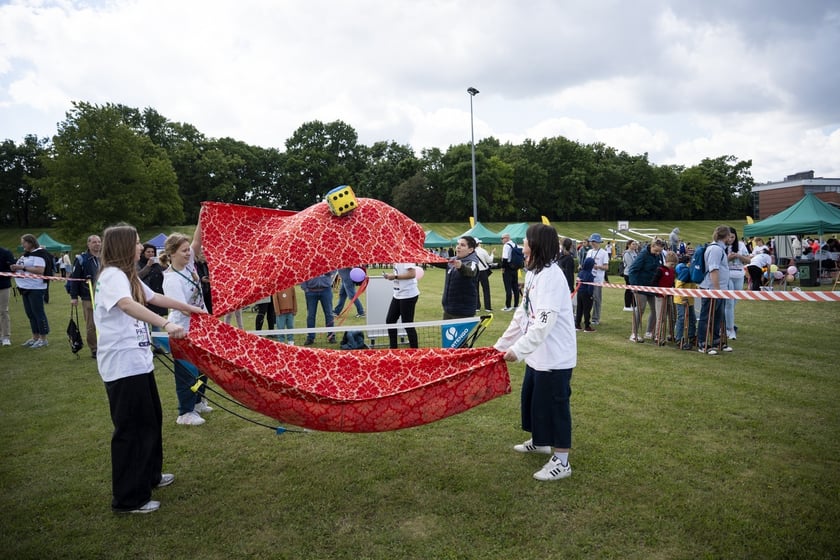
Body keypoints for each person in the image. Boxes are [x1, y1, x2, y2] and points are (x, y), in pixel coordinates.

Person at [94, 223, 204, 513]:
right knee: (131, 429)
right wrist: (166, 323)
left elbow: (154, 299)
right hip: (122, 366)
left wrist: (190, 309)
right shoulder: (113, 276)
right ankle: (129, 498)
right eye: (137, 242)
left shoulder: (127, 275)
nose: (140, 247)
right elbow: (128, 305)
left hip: (138, 362)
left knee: (151, 420)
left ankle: (150, 476)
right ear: (122, 246)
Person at [494, 224, 576, 482]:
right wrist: (501, 345)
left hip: (555, 356)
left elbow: (543, 323)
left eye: (526, 241)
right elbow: (522, 314)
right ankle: (540, 441)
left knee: (555, 406)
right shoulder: (533, 273)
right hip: (538, 355)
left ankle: (562, 461)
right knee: (533, 400)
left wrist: (517, 351)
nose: (522, 246)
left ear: (537, 244)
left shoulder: (551, 276)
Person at [162, 225, 213, 426]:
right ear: (172, 254)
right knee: (187, 370)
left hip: (199, 326)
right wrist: (200, 312)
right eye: (183, 251)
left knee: (202, 368)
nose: (188, 253)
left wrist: (203, 217)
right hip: (182, 330)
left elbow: (197, 241)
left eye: (187, 250)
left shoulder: (188, 265)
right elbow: (182, 309)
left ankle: (199, 400)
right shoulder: (172, 279)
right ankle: (185, 412)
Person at [697, 225, 733, 355]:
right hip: (711, 289)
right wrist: (717, 289)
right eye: (730, 236)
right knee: (706, 316)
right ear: (725, 236)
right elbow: (713, 269)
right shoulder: (715, 250)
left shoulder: (720, 249)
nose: (731, 238)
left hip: (719, 289)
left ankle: (717, 341)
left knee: (718, 316)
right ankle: (703, 343)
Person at [11, 234, 50, 348]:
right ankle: (35, 337)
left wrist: (22, 268)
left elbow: (40, 270)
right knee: (30, 314)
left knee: (38, 313)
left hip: (35, 288)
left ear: (30, 243)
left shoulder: (38, 254)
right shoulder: (28, 254)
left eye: (24, 242)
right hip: (25, 287)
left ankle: (43, 339)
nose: (22, 244)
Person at [69, 234, 102, 358]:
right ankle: (94, 348)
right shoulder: (82, 259)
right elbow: (74, 279)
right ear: (88, 244)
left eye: (99, 242)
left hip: (104, 296)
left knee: (104, 322)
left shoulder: (105, 258)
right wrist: (73, 297)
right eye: (94, 242)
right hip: (88, 296)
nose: (97, 244)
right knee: (91, 325)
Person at [627, 239, 665, 342]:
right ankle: (634, 333)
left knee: (655, 309)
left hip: (652, 286)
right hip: (640, 285)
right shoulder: (643, 255)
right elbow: (633, 270)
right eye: (656, 251)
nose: (658, 253)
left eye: (660, 251)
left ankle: (649, 332)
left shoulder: (659, 255)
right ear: (651, 246)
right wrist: (634, 286)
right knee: (640, 308)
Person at [441, 236, 480, 319]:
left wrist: (461, 267)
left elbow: (471, 271)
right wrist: (422, 255)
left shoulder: (472, 262)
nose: (458, 246)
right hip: (449, 310)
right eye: (458, 244)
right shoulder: (452, 260)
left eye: (462, 245)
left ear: (470, 250)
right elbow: (437, 260)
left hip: (462, 312)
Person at [384, 263, 420, 348]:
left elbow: (412, 274)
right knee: (390, 320)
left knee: (407, 323)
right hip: (397, 294)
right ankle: (393, 348)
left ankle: (414, 350)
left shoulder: (406, 258)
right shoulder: (396, 258)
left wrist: (395, 277)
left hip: (408, 295)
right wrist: (391, 276)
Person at [725, 227, 750, 339]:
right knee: (729, 303)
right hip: (727, 276)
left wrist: (739, 256)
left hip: (739, 275)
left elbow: (749, 260)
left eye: (733, 237)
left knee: (733, 303)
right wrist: (729, 258)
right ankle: (729, 329)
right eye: (729, 236)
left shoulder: (741, 245)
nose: (730, 239)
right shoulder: (723, 246)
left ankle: (727, 323)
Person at [301, 272, 336, 345]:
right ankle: (310, 337)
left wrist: (329, 273)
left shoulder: (326, 260)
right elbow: (302, 272)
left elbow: (334, 268)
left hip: (326, 290)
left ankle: (331, 336)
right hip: (311, 291)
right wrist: (305, 288)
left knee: (329, 314)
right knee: (311, 315)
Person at [585, 233, 610, 326]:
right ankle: (586, 317)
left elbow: (606, 267)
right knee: (587, 298)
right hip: (588, 279)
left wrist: (597, 267)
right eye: (591, 241)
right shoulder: (589, 252)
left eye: (594, 241)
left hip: (597, 279)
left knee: (597, 299)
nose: (592, 243)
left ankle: (595, 318)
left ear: (598, 242)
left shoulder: (604, 253)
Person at [674, 255, 697, 350]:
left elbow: (692, 285)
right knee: (682, 318)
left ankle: (692, 337)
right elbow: (678, 285)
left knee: (692, 319)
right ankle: (679, 339)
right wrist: (683, 297)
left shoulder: (692, 271)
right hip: (681, 300)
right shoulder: (686, 271)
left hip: (690, 300)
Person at [138, 243, 166, 317]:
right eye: (148, 252)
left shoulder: (157, 264)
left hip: (157, 294)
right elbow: (138, 276)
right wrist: (148, 266)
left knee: (157, 319)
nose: (151, 254)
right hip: (146, 295)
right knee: (145, 318)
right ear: (143, 253)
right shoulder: (138, 263)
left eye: (152, 252)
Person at [574, 257, 596, 332]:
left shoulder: (580, 273)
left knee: (579, 309)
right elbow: (590, 287)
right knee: (587, 310)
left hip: (579, 292)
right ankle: (587, 326)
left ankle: (577, 324)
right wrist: (591, 295)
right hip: (586, 294)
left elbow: (577, 283)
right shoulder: (590, 275)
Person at [500, 233, 520, 311]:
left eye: (502, 238)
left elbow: (505, 258)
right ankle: (516, 305)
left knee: (508, 287)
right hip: (515, 268)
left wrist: (503, 267)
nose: (501, 240)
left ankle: (508, 306)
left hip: (508, 267)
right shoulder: (515, 245)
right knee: (515, 287)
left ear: (506, 238)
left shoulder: (506, 246)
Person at [0, 246, 15, 346]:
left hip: (3, 286)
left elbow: (12, 270)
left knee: (3, 311)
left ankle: (6, 337)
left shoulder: (6, 252)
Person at [474, 239, 495, 312]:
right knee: (486, 289)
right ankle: (487, 307)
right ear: (479, 243)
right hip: (483, 271)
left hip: (475, 271)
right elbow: (489, 261)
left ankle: (477, 307)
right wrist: (492, 254)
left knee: (475, 289)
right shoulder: (483, 251)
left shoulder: (471, 252)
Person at [621, 240, 639, 311]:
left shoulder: (635, 253)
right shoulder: (627, 254)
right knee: (629, 289)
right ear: (629, 245)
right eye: (633, 244)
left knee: (633, 289)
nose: (634, 246)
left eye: (635, 244)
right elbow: (630, 264)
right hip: (628, 273)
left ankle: (634, 305)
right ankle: (627, 305)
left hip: (634, 273)